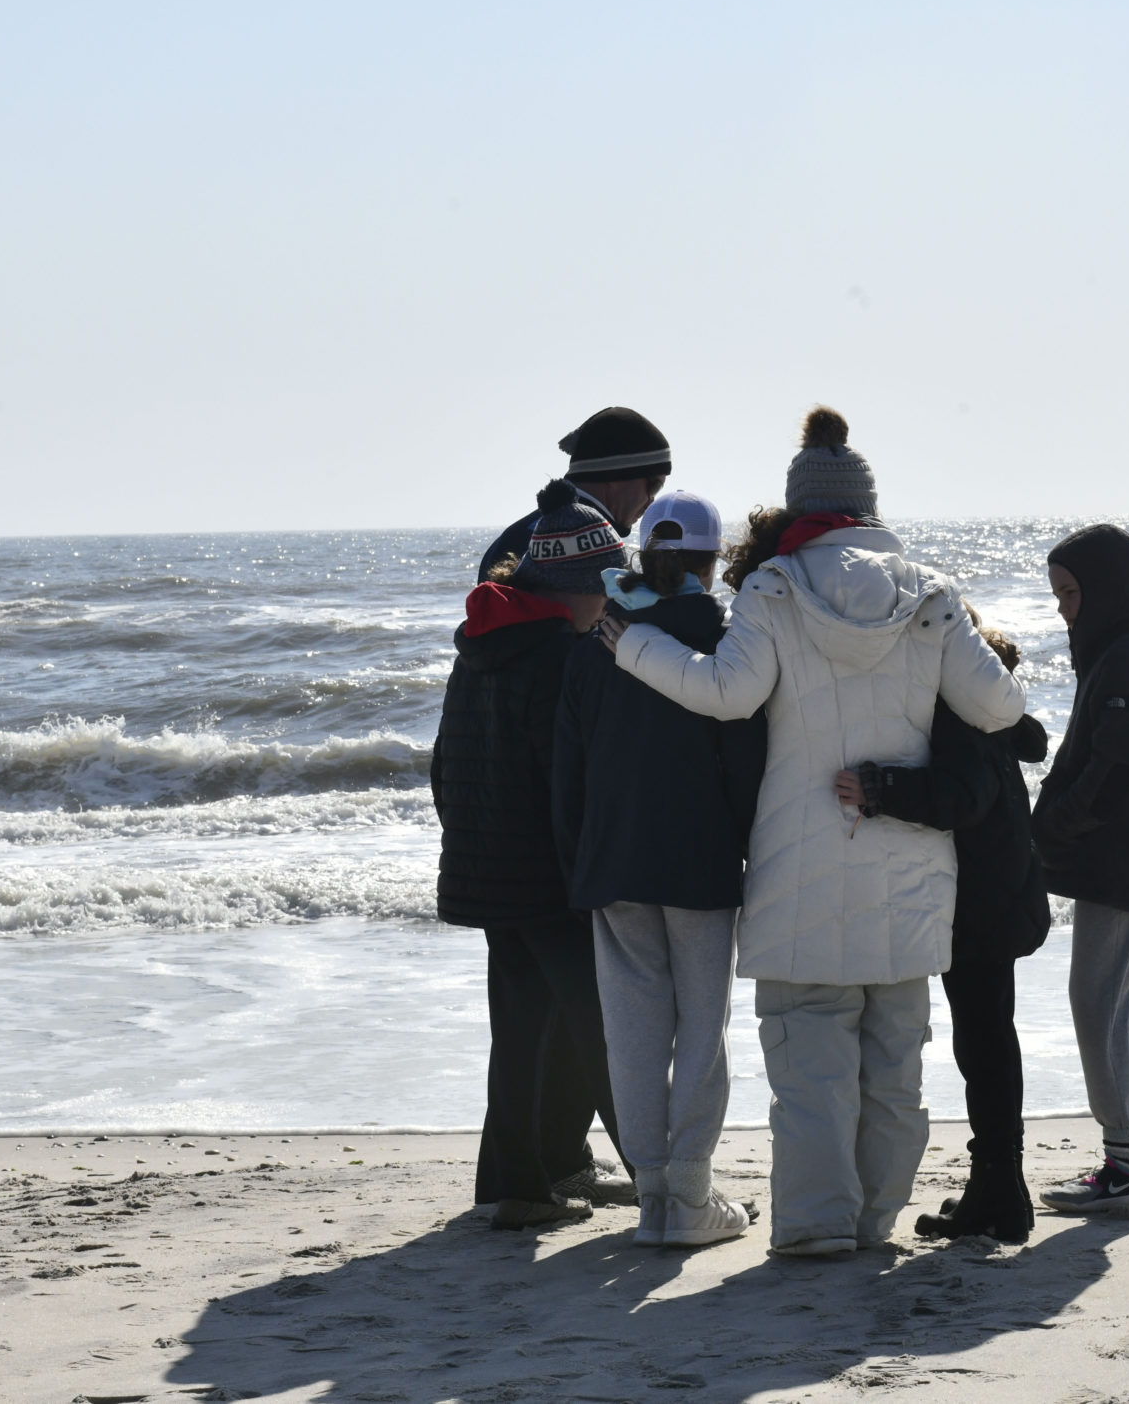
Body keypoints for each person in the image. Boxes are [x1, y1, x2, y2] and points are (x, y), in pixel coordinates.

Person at [601, 408, 1023, 1257]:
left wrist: (632, 644)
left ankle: (816, 1222)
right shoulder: (933, 595)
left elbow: (726, 691)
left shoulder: (774, 587)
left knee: (810, 1062)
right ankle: (875, 1220)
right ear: (871, 507)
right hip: (908, 866)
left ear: (799, 508)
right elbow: (1002, 708)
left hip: (799, 864)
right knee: (895, 1060)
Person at [551, 491, 768, 1248]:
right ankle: (690, 1196)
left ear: (642, 557)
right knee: (702, 1035)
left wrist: (580, 863)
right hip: (701, 863)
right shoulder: (723, 641)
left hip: (613, 863)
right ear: (712, 562)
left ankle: (652, 1197)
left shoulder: (597, 643)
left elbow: (567, 775)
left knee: (634, 1034)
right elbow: (745, 766)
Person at [432, 479, 636, 1230]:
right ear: (573, 588)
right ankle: (666, 1179)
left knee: (518, 1034)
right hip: (551, 878)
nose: (612, 600)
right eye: (608, 584)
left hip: (487, 873)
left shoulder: (480, 647)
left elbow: (444, 765)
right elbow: (573, 781)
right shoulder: (562, 659)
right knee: (606, 1029)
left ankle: (511, 1186)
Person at [834, 612, 1051, 1243]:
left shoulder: (957, 705)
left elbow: (963, 796)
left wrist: (880, 788)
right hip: (1001, 888)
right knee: (986, 1040)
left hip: (983, 898)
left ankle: (1001, 1192)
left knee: (983, 1044)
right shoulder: (988, 702)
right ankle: (999, 1187)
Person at [1031, 524, 1129, 1214]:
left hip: (1120, 866)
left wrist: (1048, 829)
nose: (1063, 608)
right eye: (1057, 594)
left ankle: (1125, 1161)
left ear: (1106, 591)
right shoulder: (1125, 655)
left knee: (1097, 1005)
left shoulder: (1126, 661)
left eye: (1070, 593)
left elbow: (1113, 775)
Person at [478, 407, 674, 581]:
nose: (651, 501)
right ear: (616, 476)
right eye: (654, 487)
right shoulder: (595, 545)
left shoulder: (514, 536)